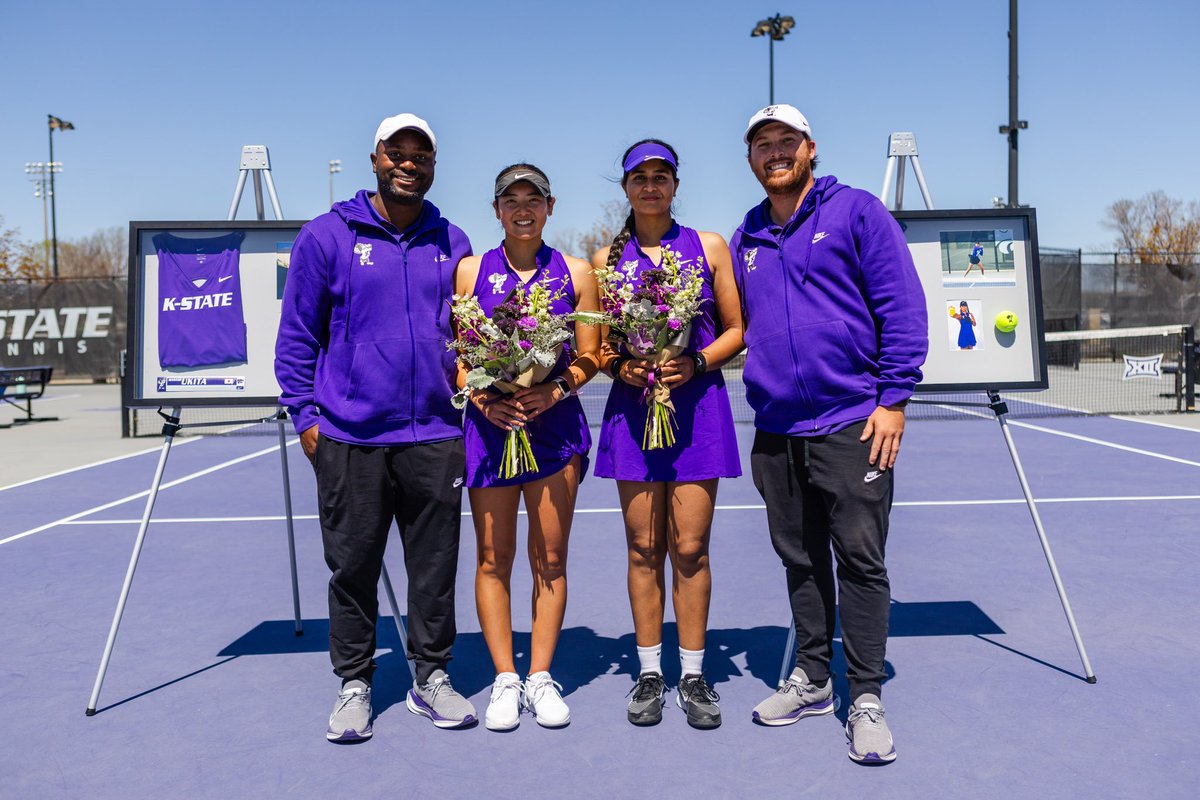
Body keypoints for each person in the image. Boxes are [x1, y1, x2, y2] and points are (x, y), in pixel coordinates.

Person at [731, 105, 928, 764]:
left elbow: (901, 304)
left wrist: (893, 399)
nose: (775, 154)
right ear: (752, 159)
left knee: (861, 562)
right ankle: (812, 680)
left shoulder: (859, 212)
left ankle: (865, 696)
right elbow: (732, 326)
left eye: (787, 142)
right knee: (802, 560)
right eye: (763, 145)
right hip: (777, 429)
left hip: (853, 423)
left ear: (809, 148)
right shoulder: (746, 237)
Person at [275, 113, 477, 742]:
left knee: (434, 567)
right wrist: (307, 417)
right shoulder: (326, 236)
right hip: (350, 439)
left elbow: (475, 334)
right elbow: (298, 335)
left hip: (437, 436)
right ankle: (355, 683)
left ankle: (431, 678)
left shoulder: (455, 239)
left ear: (434, 165)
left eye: (421, 154)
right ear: (376, 158)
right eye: (398, 152)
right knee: (352, 566)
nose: (408, 163)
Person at [591, 140, 744, 729]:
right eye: (639, 177)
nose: (650, 186)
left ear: (675, 185)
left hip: (698, 411)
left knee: (689, 548)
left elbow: (736, 329)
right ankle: (650, 672)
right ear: (625, 187)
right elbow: (598, 346)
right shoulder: (607, 260)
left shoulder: (709, 247)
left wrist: (697, 362)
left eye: (661, 177)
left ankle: (694, 674)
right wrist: (620, 367)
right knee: (642, 548)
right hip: (635, 415)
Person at [455, 164, 601, 731]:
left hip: (554, 430)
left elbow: (592, 353)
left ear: (549, 206)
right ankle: (504, 679)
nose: (522, 208)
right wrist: (487, 401)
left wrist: (554, 389)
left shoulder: (577, 271)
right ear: (496, 210)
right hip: (491, 429)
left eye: (532, 199)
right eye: (510, 199)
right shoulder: (471, 271)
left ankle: (539, 676)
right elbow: (462, 360)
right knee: (494, 559)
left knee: (552, 558)